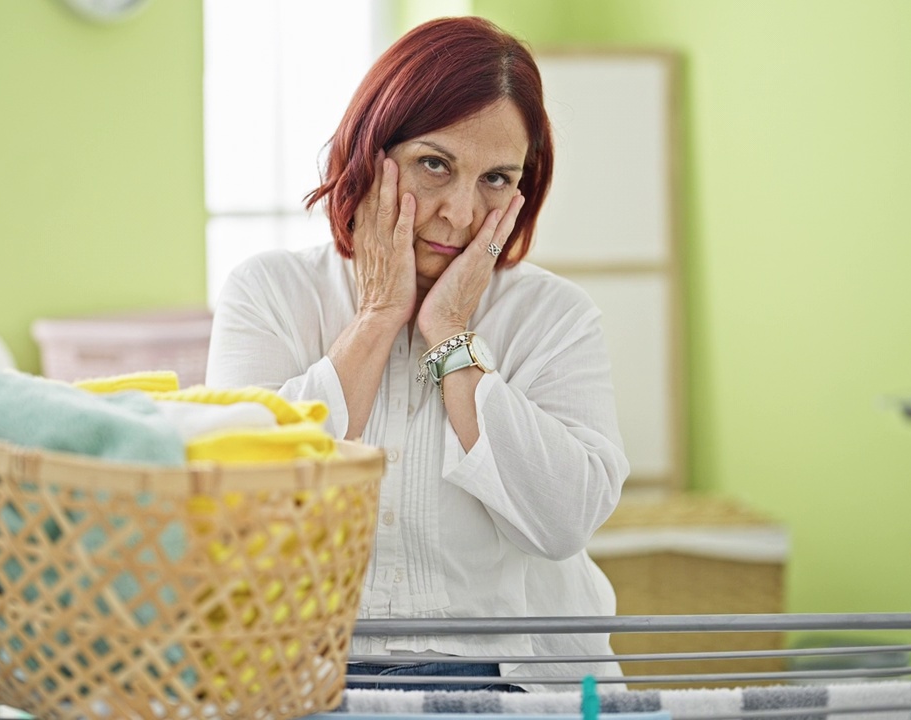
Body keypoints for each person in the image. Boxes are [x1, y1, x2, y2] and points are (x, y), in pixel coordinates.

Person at [205, 16, 628, 692]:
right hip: (310, 675)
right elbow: (242, 513)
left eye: (495, 179)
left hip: (520, 681)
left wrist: (452, 335)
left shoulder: (555, 316)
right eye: (435, 165)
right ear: (369, 155)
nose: (461, 214)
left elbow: (561, 522)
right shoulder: (270, 293)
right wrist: (376, 318)